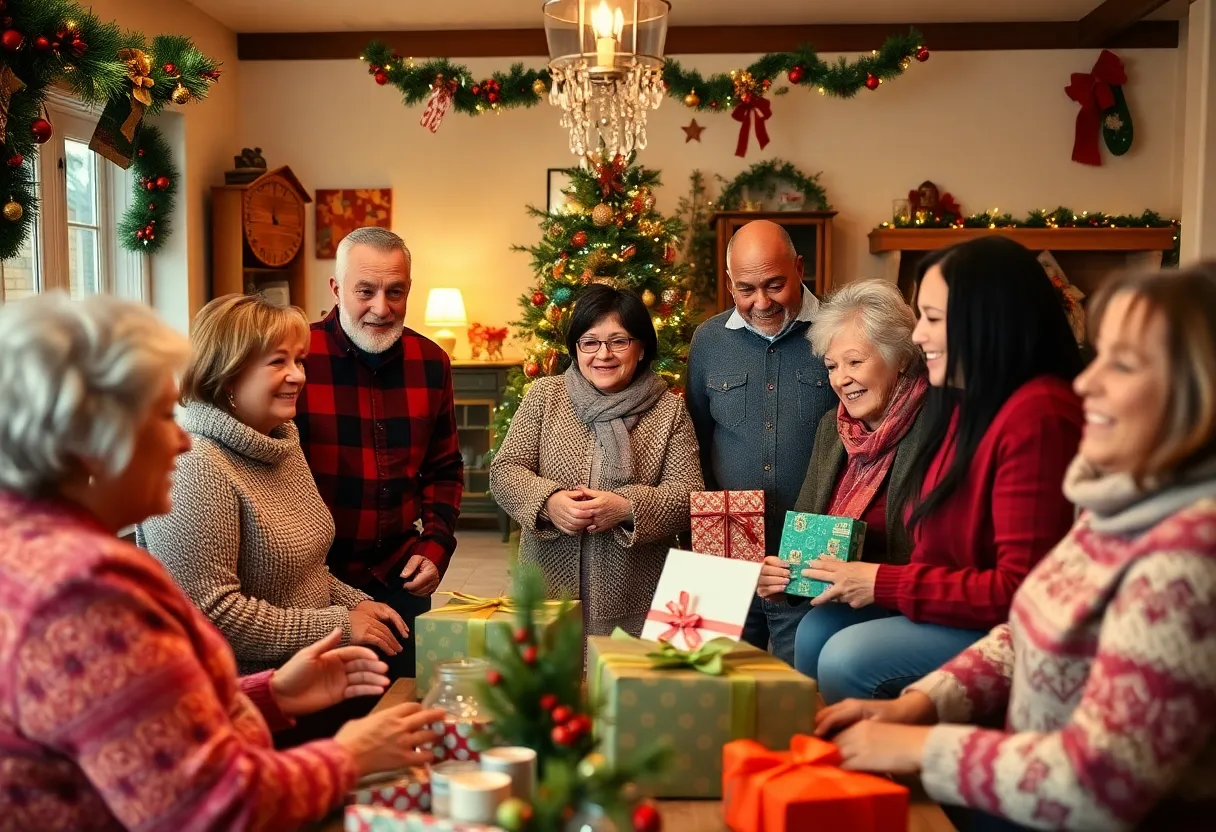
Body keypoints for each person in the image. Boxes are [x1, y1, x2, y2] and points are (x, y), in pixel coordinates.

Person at [0, 293, 444, 831]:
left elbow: (145, 722)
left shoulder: (31, 547)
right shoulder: (83, 591)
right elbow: (209, 808)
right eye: (164, 416)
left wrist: (271, 694)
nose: (182, 438)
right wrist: (350, 755)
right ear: (91, 440)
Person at [816, 264, 1216, 832]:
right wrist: (917, 707)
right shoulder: (1115, 513)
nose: (1086, 384)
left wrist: (917, 748)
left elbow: (1097, 786)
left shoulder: (1187, 561)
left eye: (1122, 364)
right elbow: (1030, 626)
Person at [791, 236, 1084, 703]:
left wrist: (881, 580)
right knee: (815, 630)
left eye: (933, 319)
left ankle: (876, 763)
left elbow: (1021, 591)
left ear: (985, 321)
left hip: (1004, 625)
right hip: (945, 603)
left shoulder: (1038, 415)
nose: (919, 335)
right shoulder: (966, 405)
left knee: (846, 657)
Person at [139, 294, 408, 676]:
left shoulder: (279, 441)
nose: (298, 375)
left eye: (299, 360)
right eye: (278, 361)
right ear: (229, 373)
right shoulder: (193, 466)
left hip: (308, 676)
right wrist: (340, 624)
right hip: (241, 698)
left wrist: (352, 602)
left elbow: (303, 574)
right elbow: (211, 615)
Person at [295, 227, 463, 681]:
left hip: (400, 576)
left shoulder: (432, 363)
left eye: (396, 292)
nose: (381, 308)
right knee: (327, 723)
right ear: (336, 288)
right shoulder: (296, 358)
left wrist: (436, 546)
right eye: (365, 291)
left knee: (401, 708)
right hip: (311, 585)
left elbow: (444, 467)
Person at [490, 285, 702, 637]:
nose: (603, 354)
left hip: (638, 593)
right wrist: (549, 502)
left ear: (642, 346)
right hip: (547, 592)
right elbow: (505, 471)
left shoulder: (669, 410)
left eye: (618, 341)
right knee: (553, 688)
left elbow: (688, 496)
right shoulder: (546, 396)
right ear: (575, 348)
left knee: (625, 688)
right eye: (590, 342)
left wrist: (626, 507)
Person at [685, 220, 836, 664]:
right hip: (726, 547)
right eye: (746, 289)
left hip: (808, 552)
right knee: (716, 683)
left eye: (775, 285)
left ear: (800, 268)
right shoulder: (709, 340)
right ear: (730, 282)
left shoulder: (837, 332)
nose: (762, 302)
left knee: (800, 687)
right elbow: (695, 438)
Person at [756, 279, 929, 608]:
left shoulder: (936, 423)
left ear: (901, 359)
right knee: (813, 631)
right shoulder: (832, 429)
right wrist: (783, 577)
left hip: (905, 601)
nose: (840, 379)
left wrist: (874, 580)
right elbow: (805, 532)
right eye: (832, 366)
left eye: (855, 362)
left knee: (823, 640)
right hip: (837, 601)